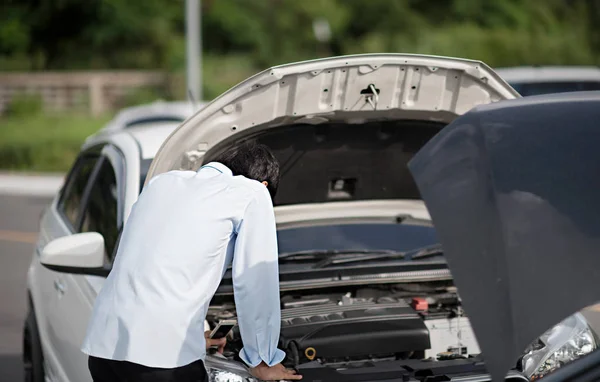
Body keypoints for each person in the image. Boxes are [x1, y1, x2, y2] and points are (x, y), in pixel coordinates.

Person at [81, 141, 302, 381]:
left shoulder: (161, 183)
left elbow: (154, 268)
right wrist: (262, 359)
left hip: (104, 351)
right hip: (162, 363)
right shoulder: (251, 192)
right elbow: (255, 282)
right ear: (264, 184)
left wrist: (193, 338)